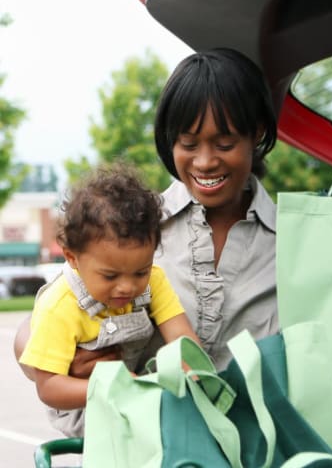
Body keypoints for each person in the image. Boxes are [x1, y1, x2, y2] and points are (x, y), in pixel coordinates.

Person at [15, 47, 278, 428]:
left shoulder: (296, 244)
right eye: (188, 144)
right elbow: (42, 327)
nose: (205, 162)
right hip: (135, 443)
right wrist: (68, 362)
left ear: (257, 134)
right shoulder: (129, 229)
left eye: (224, 144)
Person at [18, 162, 200, 436]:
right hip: (83, 407)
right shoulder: (60, 305)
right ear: (72, 258)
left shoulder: (153, 282)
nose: (126, 287)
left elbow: (181, 336)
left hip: (135, 391)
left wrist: (194, 371)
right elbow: (49, 387)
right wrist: (114, 384)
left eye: (140, 271)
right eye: (110, 276)